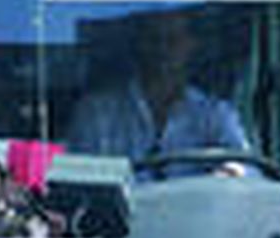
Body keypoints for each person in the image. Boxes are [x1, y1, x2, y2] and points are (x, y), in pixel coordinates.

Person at [67, 10, 249, 165]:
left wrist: (229, 175)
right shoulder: (97, 114)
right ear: (138, 44)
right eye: (154, 39)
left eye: (172, 40)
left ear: (190, 45)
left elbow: (246, 174)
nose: (162, 49)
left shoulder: (214, 115)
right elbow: (84, 186)